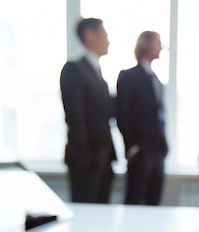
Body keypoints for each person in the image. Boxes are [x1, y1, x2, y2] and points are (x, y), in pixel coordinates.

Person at [60, 18, 117, 203]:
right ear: (89, 35)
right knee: (87, 215)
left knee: (102, 216)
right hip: (86, 161)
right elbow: (75, 118)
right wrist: (87, 158)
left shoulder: (98, 74)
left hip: (104, 159)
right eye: (104, 35)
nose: (108, 41)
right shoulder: (74, 70)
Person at [116, 31, 168, 205]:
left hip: (157, 151)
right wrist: (132, 146)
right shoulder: (128, 76)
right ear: (145, 44)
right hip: (140, 152)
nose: (161, 47)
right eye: (157, 42)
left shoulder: (156, 79)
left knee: (154, 201)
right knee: (134, 200)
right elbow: (122, 112)